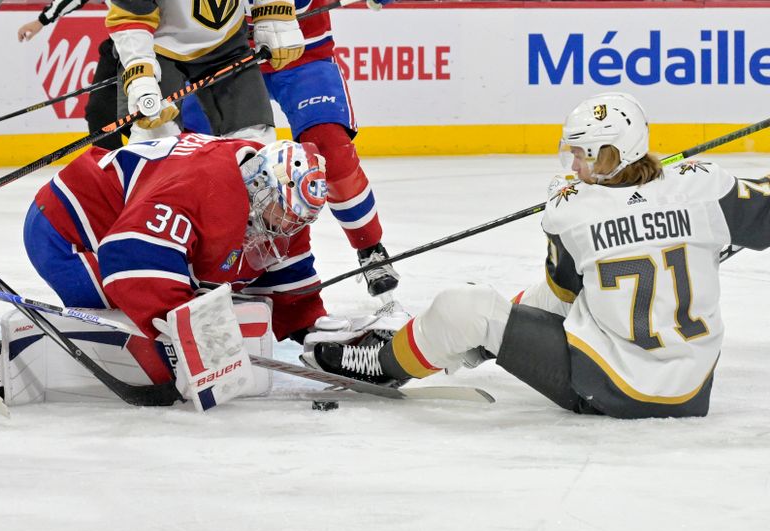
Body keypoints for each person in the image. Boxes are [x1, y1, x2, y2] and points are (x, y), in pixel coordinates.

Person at [305, 91, 770, 419]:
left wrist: (485, 329)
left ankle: (384, 364)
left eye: (588, 156)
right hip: (690, 392)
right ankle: (459, 344)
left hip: (606, 384)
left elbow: (564, 295)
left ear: (614, 155)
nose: (576, 167)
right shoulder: (705, 188)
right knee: (495, 316)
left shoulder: (573, 213)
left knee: (463, 308)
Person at [16, 133, 329, 409]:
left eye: (297, 220)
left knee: (193, 311)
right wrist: (187, 332)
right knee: (152, 350)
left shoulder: (269, 191)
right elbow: (132, 258)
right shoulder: (204, 185)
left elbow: (281, 266)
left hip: (127, 222)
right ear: (259, 184)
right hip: (67, 230)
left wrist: (312, 325)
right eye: (285, 215)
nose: (289, 227)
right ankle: (30, 349)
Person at [253, 0, 400, 298]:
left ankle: (370, 248)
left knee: (331, 148)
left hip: (305, 53)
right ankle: (216, 260)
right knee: (209, 156)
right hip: (226, 58)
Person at [106, 0, 304, 144]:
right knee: (156, 137)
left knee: (255, 141)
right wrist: (140, 77)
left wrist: (275, 12)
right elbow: (130, 18)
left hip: (227, 45)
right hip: (158, 50)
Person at [17, 0, 126, 151]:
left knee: (153, 114)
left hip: (160, 47)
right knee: (99, 112)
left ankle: (162, 166)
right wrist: (41, 20)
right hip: (121, 45)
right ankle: (111, 169)